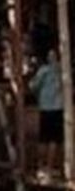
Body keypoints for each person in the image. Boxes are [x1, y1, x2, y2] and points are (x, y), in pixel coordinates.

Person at [31, 48, 64, 181]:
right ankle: (49, 168)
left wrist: (39, 94)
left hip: (46, 107)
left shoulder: (44, 71)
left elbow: (33, 86)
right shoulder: (61, 70)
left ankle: (42, 167)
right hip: (57, 107)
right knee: (54, 139)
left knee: (45, 138)